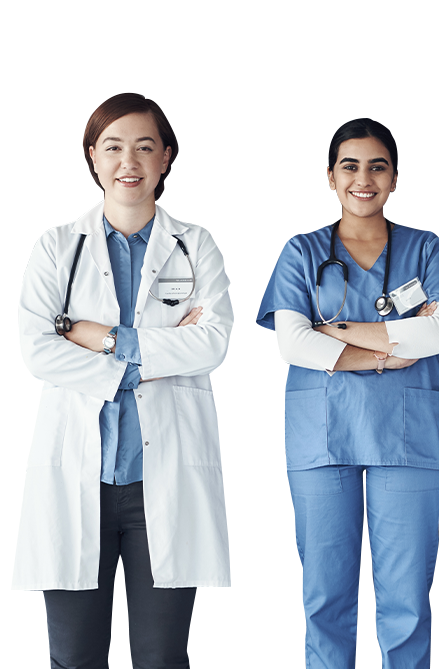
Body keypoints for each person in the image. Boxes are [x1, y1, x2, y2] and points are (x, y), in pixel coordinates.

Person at [13, 92, 235, 668]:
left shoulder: (196, 245)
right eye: (113, 147)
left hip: (163, 478)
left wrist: (99, 336)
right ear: (93, 157)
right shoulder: (58, 248)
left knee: (163, 658)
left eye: (144, 147)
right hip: (76, 474)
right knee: (74, 658)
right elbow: (39, 353)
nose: (128, 161)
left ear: (166, 158)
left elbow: (212, 344)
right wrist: (161, 352)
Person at [254, 117, 439, 668]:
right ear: (330, 176)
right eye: (350, 165)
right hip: (323, 446)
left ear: (395, 178)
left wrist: (336, 331)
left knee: (407, 604)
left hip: (407, 444)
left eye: (377, 166)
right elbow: (291, 344)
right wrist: (384, 357)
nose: (363, 178)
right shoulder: (302, 252)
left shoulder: (427, 249)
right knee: (325, 601)